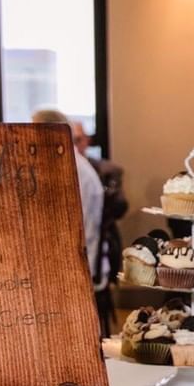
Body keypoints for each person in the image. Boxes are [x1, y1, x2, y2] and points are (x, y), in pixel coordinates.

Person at [31, 109, 104, 287]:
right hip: (70, 254)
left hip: (77, 264)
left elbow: (78, 231)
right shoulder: (66, 162)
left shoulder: (72, 168)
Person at [72, 121, 129, 337]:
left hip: (98, 246)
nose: (75, 145)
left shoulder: (98, 171)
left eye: (78, 140)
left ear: (86, 141)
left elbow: (118, 208)